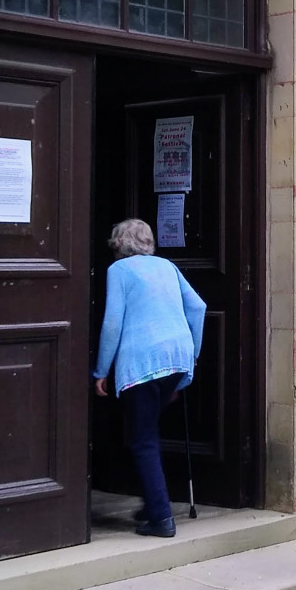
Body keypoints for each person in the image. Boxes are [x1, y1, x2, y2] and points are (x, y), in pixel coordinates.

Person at [92, 218, 206, 538]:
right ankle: (152, 504)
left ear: (119, 245)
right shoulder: (166, 266)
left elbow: (113, 322)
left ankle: (161, 518)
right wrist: (193, 352)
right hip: (177, 360)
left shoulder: (119, 271)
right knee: (145, 432)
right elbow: (197, 307)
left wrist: (101, 370)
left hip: (142, 364)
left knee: (142, 440)